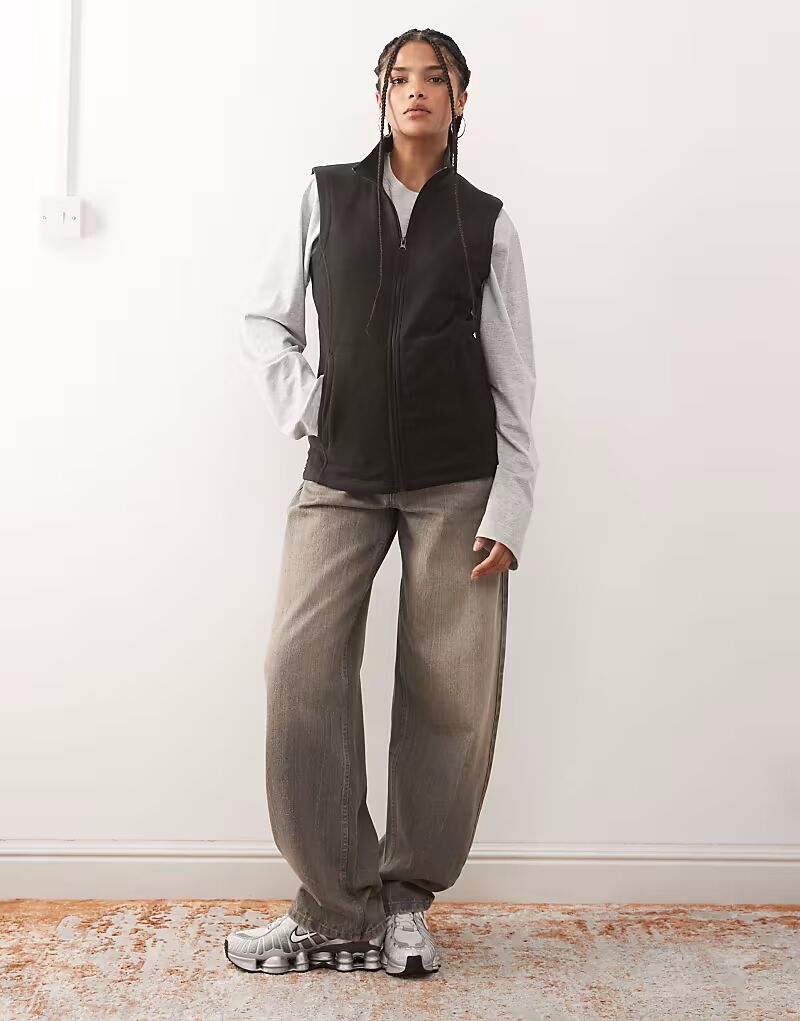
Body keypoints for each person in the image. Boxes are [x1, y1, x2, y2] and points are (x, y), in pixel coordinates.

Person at [225, 27, 539, 979]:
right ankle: (333, 903)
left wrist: (511, 505)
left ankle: (405, 903)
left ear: (460, 99)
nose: (415, 91)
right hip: (342, 476)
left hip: (457, 484)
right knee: (299, 667)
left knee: (450, 693)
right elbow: (265, 321)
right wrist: (312, 405)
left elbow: (515, 376)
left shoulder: (486, 223)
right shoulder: (325, 195)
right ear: (379, 96)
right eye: (399, 78)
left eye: (434, 79)